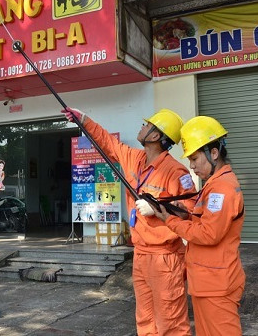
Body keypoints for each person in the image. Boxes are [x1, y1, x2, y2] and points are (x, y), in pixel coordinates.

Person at [62, 107, 197, 336]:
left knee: (170, 322)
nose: (141, 127)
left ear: (156, 136)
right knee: (145, 320)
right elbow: (107, 142)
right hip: (141, 254)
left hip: (165, 256)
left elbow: (190, 210)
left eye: (147, 125)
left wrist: (157, 209)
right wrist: (83, 119)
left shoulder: (176, 171)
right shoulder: (135, 158)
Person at [153, 116, 245, 336]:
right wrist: (181, 210)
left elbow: (208, 234)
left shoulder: (221, 189)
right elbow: (204, 220)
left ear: (214, 153)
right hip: (208, 282)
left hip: (216, 285)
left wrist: (170, 220)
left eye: (194, 159)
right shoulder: (213, 185)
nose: (191, 167)